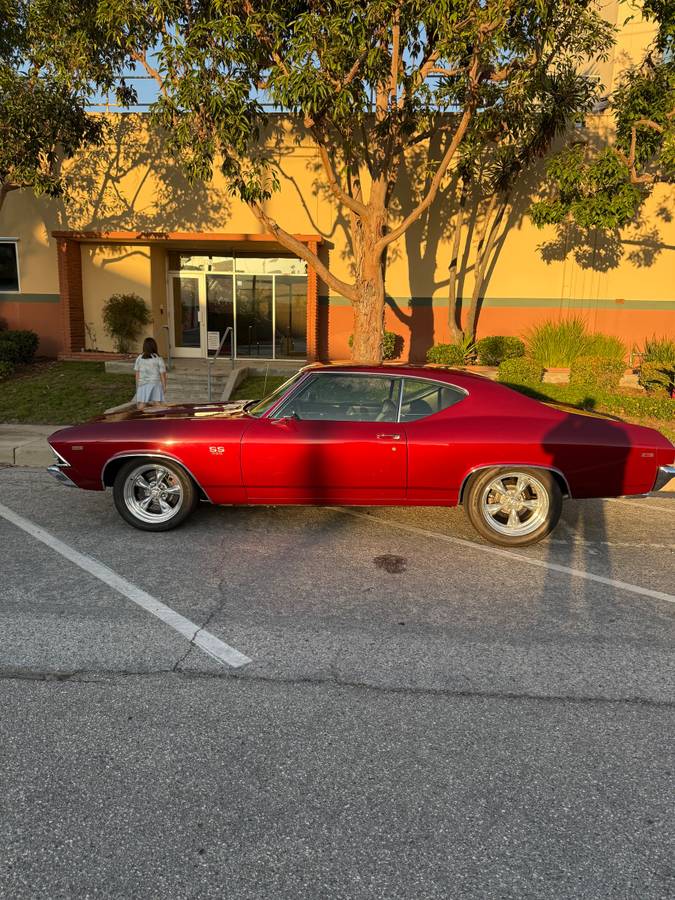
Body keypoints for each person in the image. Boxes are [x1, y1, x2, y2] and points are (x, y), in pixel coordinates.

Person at [134, 337, 168, 410]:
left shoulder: (139, 358)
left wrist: (137, 386)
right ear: (154, 346)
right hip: (155, 384)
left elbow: (137, 374)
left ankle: (138, 418)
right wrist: (164, 386)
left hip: (143, 384)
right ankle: (163, 416)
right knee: (157, 403)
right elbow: (163, 374)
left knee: (142, 404)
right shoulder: (158, 358)